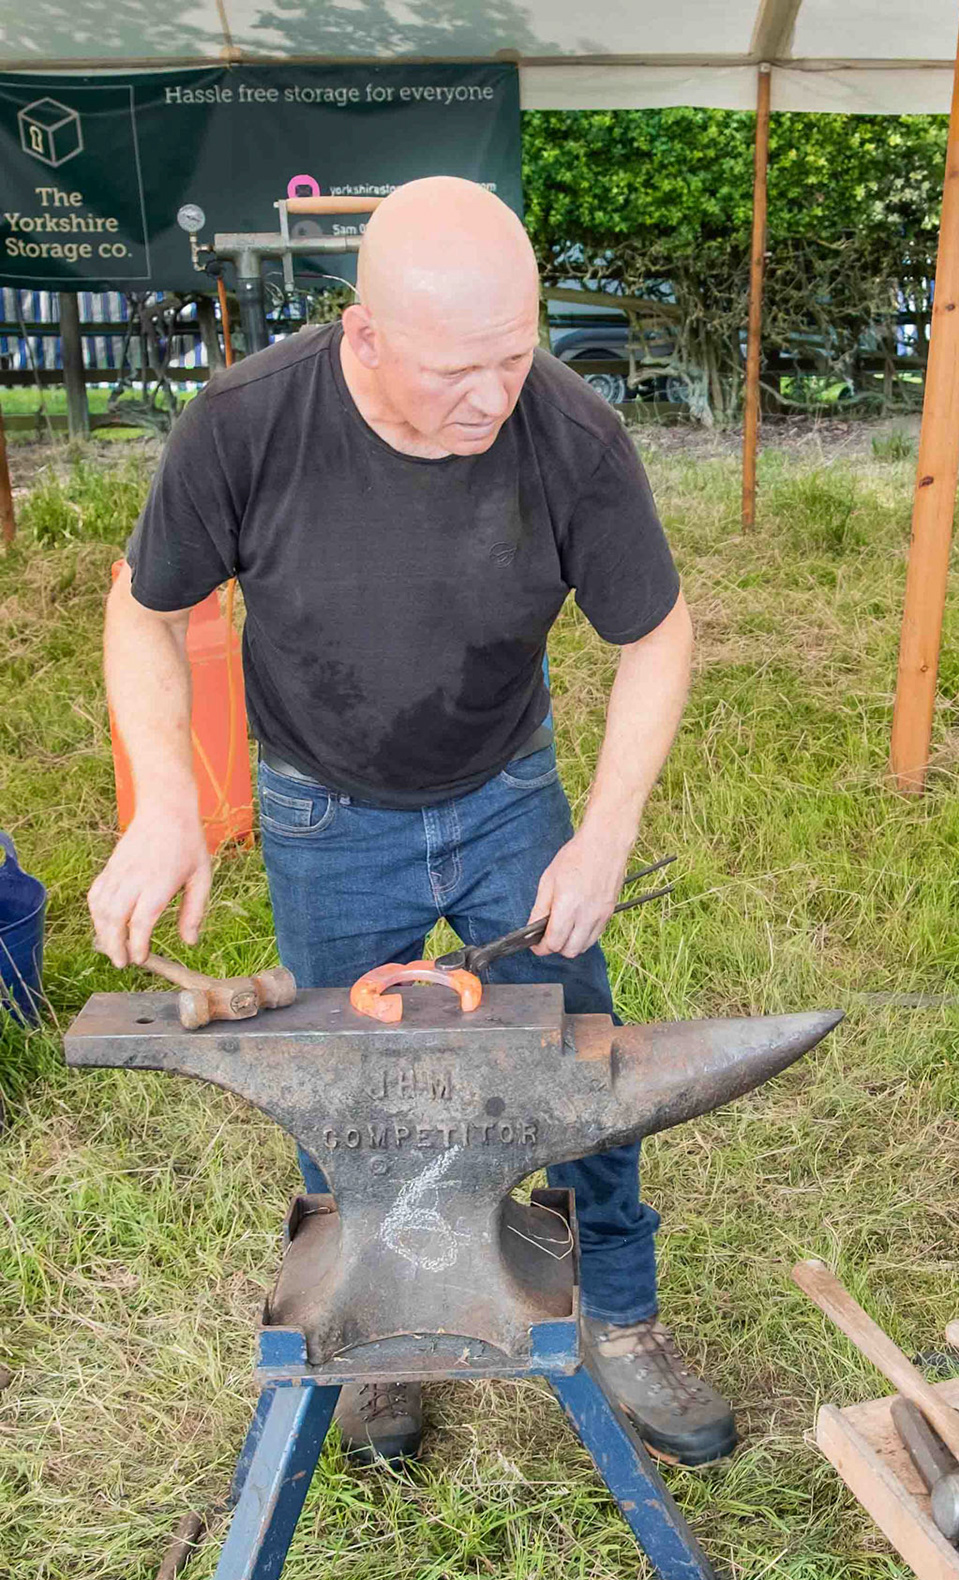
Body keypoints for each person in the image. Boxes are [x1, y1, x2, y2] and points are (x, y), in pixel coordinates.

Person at [87, 177, 732, 1469]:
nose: (491, 397)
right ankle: (381, 1325)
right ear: (363, 336)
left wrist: (601, 833)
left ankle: (623, 1309)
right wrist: (167, 800)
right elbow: (144, 606)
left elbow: (657, 636)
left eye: (514, 354)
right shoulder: (249, 421)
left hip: (506, 791)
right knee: (350, 1089)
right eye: (457, 370)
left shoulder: (570, 433)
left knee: (580, 1062)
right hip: (324, 805)